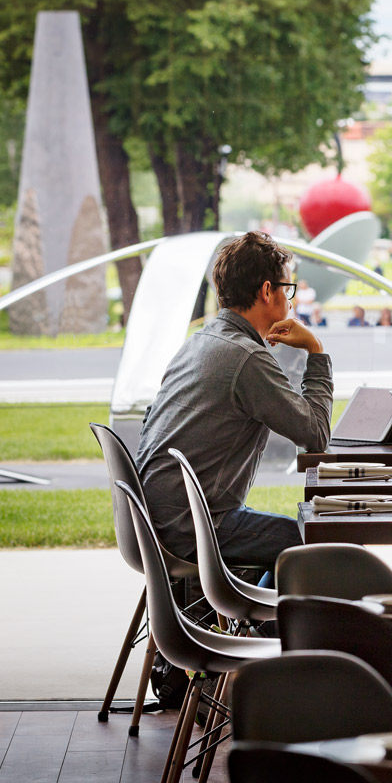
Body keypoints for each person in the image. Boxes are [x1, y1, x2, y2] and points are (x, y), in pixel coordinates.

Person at [133, 231, 332, 576]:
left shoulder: (199, 342)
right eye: (288, 289)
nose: (291, 301)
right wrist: (316, 350)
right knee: (315, 541)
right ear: (267, 291)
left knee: (286, 539)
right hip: (192, 528)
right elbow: (315, 434)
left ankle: (255, 622)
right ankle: (271, 625)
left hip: (154, 523)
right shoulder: (246, 357)